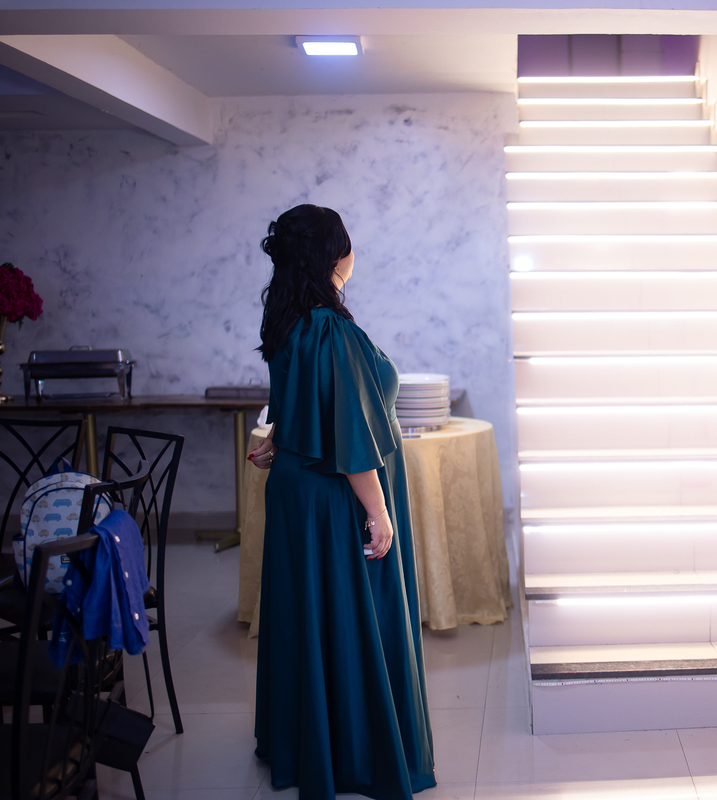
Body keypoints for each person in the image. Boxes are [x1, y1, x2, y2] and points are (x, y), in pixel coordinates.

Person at [248, 204, 435, 799]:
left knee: (308, 616)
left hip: (297, 490)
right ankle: (354, 753)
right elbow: (353, 440)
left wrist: (280, 436)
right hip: (332, 499)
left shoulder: (288, 320)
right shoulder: (331, 328)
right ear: (334, 255)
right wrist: (378, 513)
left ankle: (310, 742)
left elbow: (301, 398)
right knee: (351, 618)